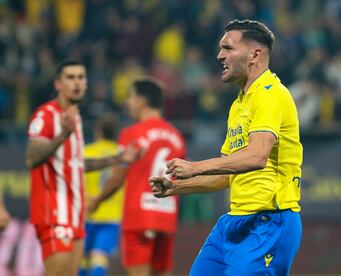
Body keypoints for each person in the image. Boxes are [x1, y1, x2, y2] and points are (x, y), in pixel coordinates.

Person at [150, 19, 302, 275]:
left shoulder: (271, 94)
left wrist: (195, 167)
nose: (220, 55)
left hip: (268, 221)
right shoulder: (239, 104)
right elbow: (226, 176)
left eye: (228, 48)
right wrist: (176, 187)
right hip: (234, 220)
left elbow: (257, 156)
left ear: (255, 54)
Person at [25, 60, 140, 276]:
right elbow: (32, 158)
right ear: (58, 84)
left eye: (81, 77)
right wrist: (63, 135)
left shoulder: (75, 119)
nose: (77, 83)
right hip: (54, 212)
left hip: (76, 214)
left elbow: (77, 164)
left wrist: (117, 158)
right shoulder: (47, 115)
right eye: (70, 77)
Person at [88, 78, 186, 276]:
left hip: (139, 216)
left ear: (142, 101)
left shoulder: (131, 133)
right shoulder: (177, 137)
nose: (128, 103)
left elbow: (117, 177)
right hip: (166, 215)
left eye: (131, 97)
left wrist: (96, 201)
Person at [79, 113, 123, 276]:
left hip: (87, 214)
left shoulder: (86, 152)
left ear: (98, 131)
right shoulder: (121, 153)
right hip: (112, 216)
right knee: (100, 258)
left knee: (82, 259)